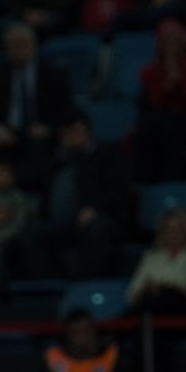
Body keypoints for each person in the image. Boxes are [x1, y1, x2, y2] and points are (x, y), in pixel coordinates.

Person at [0, 22, 75, 189]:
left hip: (40, 135)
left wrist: (48, 127)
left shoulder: (53, 75)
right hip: (7, 134)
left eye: (22, 44)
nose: (17, 50)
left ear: (33, 46)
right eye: (12, 46)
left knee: (41, 152)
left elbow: (66, 109)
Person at [39, 112, 130, 280]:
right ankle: (51, 287)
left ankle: (89, 284)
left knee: (97, 227)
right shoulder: (55, 161)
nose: (72, 137)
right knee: (30, 234)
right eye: (66, 133)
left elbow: (121, 192)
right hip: (61, 223)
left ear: (88, 132)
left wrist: (95, 209)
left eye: (76, 131)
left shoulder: (107, 156)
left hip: (98, 218)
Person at [134, 18, 186, 182]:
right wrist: (166, 88)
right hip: (158, 127)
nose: (171, 46)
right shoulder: (150, 73)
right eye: (166, 41)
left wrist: (179, 84)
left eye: (175, 40)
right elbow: (146, 109)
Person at [127, 208, 186, 319]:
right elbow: (131, 295)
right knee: (157, 298)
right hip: (154, 307)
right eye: (168, 229)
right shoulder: (152, 257)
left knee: (170, 295)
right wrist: (146, 288)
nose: (173, 234)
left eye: (178, 229)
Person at [35, 309, 121, 372]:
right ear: (68, 335)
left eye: (86, 331)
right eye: (76, 333)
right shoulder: (54, 357)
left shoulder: (109, 356)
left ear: (94, 331)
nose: (82, 337)